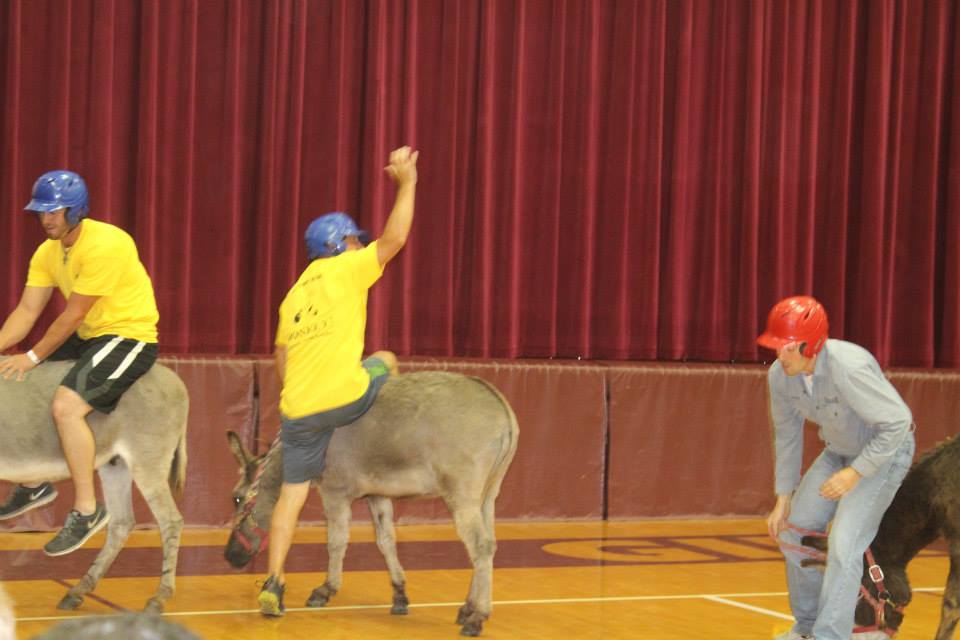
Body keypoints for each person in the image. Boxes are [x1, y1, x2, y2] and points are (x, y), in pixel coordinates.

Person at [257, 146, 418, 616]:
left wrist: (296, 399)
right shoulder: (348, 269)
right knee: (384, 357)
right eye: (354, 240)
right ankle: (381, 451)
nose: (358, 245)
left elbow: (281, 356)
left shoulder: (291, 295)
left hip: (298, 410)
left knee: (292, 496)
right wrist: (406, 184)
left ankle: (274, 582)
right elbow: (394, 239)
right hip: (346, 399)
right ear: (342, 244)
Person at [0, 170, 160, 557]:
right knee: (23, 378)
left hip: (128, 335)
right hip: (91, 335)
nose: (46, 219)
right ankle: (36, 482)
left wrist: (33, 355)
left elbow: (72, 315)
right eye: (41, 212)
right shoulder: (47, 252)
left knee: (66, 407)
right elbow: (27, 309)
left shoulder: (106, 244)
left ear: (77, 210)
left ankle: (87, 510)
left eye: (55, 211)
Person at [757, 295, 916, 640]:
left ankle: (831, 635)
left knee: (845, 544)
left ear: (810, 345)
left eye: (787, 348)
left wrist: (856, 472)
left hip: (884, 455)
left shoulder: (849, 366)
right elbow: (786, 435)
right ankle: (807, 628)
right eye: (776, 346)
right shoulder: (779, 376)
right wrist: (783, 497)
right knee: (792, 531)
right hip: (839, 452)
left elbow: (898, 423)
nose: (779, 356)